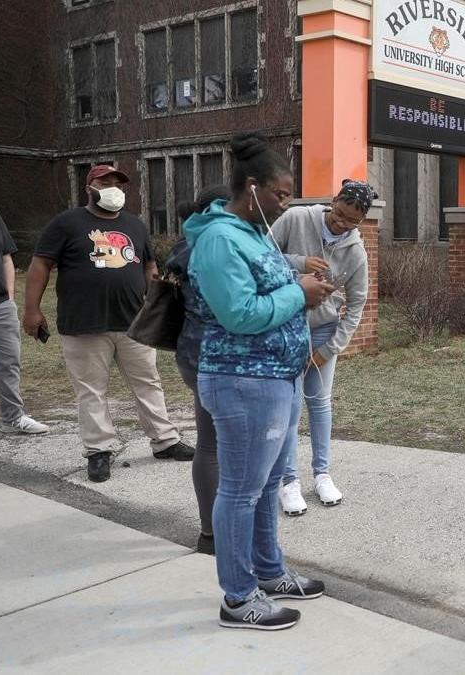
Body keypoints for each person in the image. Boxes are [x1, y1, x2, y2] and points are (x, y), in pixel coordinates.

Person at [185, 132, 334, 631]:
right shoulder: (220, 238)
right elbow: (240, 314)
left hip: (279, 378)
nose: (287, 203)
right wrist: (301, 294)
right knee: (242, 490)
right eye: (282, 193)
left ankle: (268, 572)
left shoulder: (251, 235)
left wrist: (300, 279)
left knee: (270, 483)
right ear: (253, 189)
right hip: (243, 381)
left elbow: (268, 281)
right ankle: (237, 597)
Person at [23, 164, 193, 482]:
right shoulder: (66, 223)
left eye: (118, 181)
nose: (113, 186)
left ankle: (165, 441)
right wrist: (31, 310)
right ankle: (98, 450)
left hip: (133, 322)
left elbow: (148, 265)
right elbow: (40, 265)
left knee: (148, 382)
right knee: (91, 390)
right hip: (83, 323)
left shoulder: (135, 225)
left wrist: (153, 297)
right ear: (90, 186)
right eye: (105, 180)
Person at [271, 180, 374, 516]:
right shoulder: (297, 218)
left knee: (319, 403)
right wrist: (300, 263)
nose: (340, 224)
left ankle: (322, 474)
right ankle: (288, 481)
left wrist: (329, 350)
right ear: (333, 202)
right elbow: (262, 257)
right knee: (289, 406)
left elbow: (357, 306)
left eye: (351, 222)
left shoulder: (355, 251)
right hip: (285, 325)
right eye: (339, 214)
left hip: (322, 332)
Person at [166, 185, 230, 554]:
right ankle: (223, 531)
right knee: (223, 448)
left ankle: (210, 532)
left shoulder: (184, 244)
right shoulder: (218, 247)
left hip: (191, 353)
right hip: (219, 358)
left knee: (209, 445)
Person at [0, 171, 49, 442]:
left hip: (0, 305)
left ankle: (14, 417)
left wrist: (9, 297)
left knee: (9, 362)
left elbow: (6, 258)